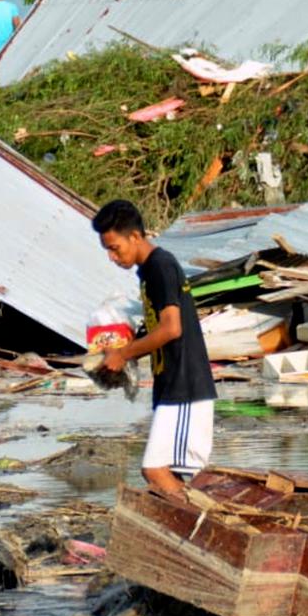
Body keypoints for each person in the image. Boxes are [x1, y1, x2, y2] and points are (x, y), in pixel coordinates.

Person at [93, 200, 216, 494]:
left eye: (115, 248)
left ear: (135, 236)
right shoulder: (148, 271)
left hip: (186, 385)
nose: (112, 257)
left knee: (155, 470)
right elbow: (157, 329)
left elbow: (172, 328)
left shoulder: (160, 266)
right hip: (172, 386)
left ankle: (200, 533)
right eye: (107, 250)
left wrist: (123, 354)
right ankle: (190, 529)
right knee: (167, 475)